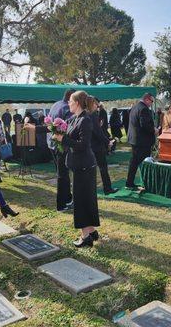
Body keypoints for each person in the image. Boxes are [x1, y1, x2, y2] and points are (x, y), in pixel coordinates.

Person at [52, 91, 100, 247]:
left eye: (71, 102)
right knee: (84, 200)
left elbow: (82, 145)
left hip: (85, 166)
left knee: (81, 201)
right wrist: (33, 127)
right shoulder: (73, 119)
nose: (68, 104)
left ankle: (85, 237)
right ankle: (91, 231)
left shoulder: (85, 120)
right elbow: (58, 130)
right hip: (79, 166)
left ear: (77, 103)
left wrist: (63, 139)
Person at [44, 89, 75, 211]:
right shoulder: (67, 108)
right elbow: (70, 128)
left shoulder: (56, 104)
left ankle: (67, 198)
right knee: (63, 175)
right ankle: (61, 204)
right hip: (60, 145)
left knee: (62, 173)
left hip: (51, 143)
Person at [125, 93, 157, 189]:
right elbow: (145, 125)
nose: (152, 103)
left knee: (134, 162)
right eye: (151, 101)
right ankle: (145, 183)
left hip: (135, 139)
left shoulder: (135, 107)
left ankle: (129, 182)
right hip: (142, 141)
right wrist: (154, 130)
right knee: (144, 162)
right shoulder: (143, 109)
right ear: (147, 99)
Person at [88, 99, 118, 195]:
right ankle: (107, 188)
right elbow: (97, 132)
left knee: (92, 169)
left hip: (90, 146)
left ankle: (92, 190)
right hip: (96, 146)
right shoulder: (92, 115)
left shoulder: (85, 114)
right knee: (103, 168)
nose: (97, 106)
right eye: (96, 104)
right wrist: (107, 141)